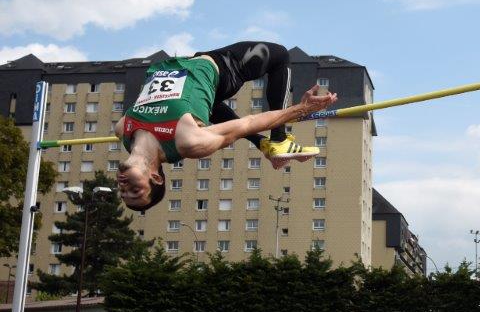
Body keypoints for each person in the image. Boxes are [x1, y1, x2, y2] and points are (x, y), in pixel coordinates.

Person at [114, 41, 338, 211]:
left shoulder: (123, 129)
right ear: (155, 177)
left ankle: (264, 145)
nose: (124, 187)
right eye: (135, 190)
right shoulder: (189, 142)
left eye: (123, 191)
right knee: (279, 55)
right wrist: (301, 109)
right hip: (222, 69)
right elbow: (247, 123)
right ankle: (278, 141)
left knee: (208, 110)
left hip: (195, 79)